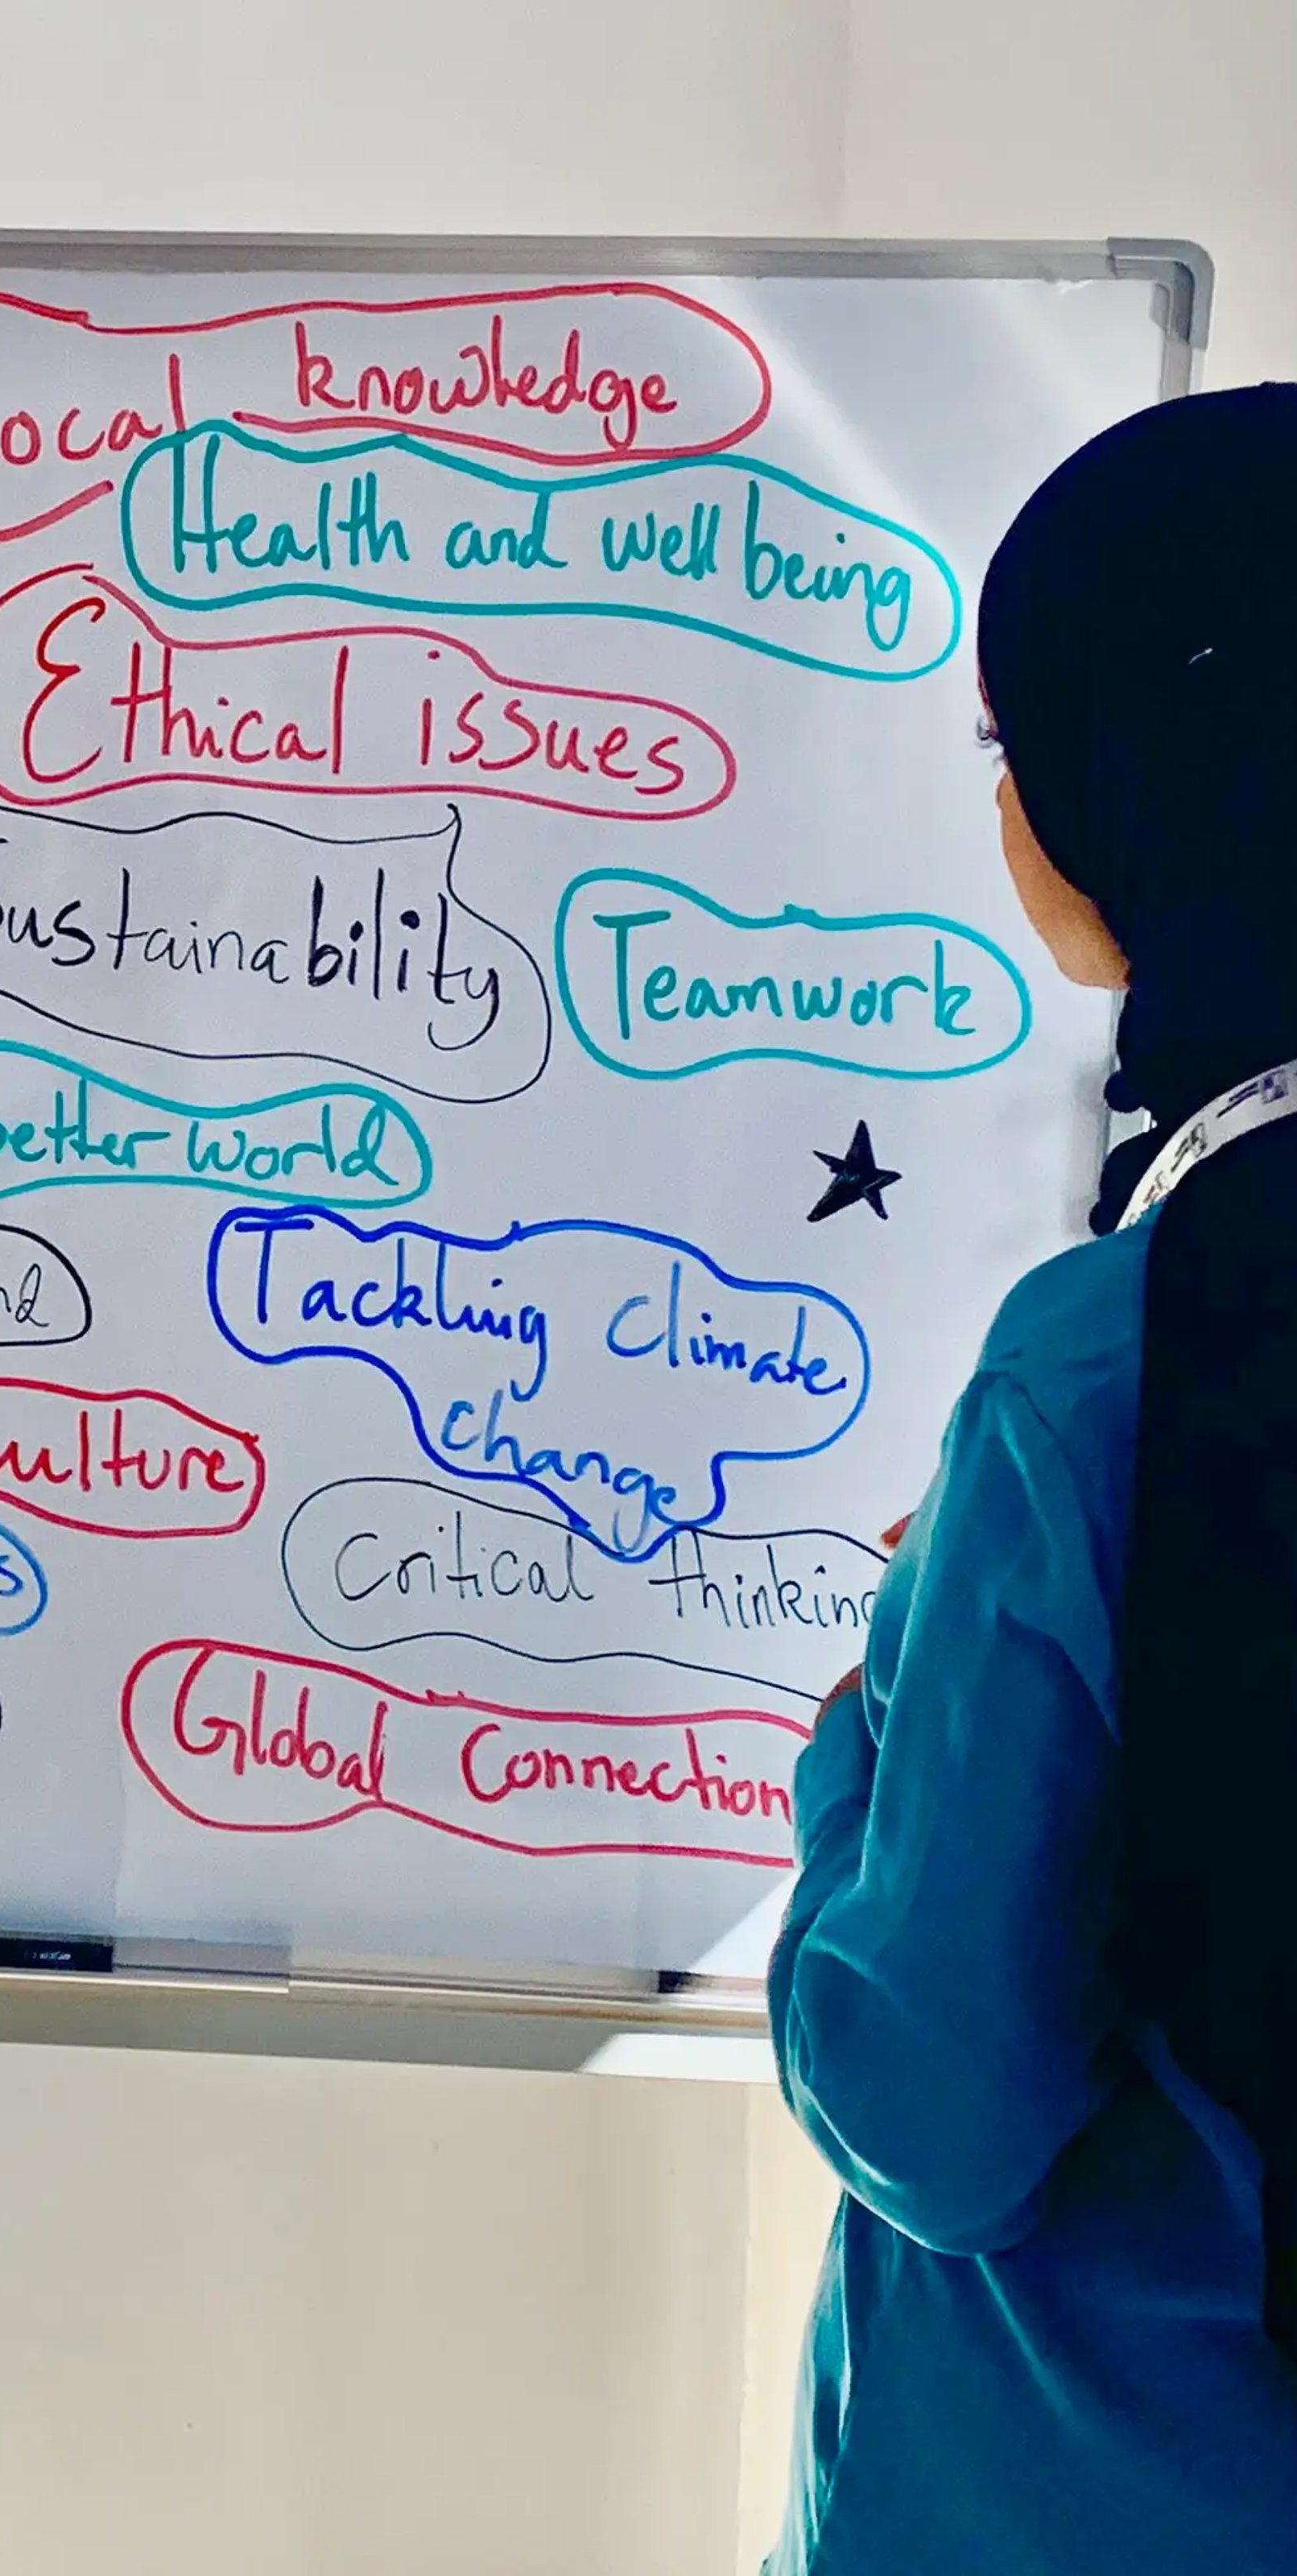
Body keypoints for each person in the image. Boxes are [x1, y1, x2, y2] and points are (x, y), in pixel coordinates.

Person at [766, 386, 1297, 2574]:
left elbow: (935, 2108)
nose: (1009, 810)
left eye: (1018, 750)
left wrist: (873, 1721)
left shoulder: (1115, 1367)